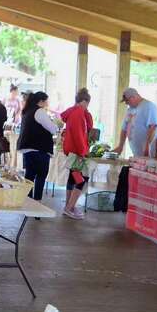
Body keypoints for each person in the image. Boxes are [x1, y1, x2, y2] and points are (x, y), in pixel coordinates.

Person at [59, 88, 94, 219]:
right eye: (87, 104)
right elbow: (79, 134)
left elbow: (89, 126)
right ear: (85, 101)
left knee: (73, 178)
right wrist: (82, 152)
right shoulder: (78, 113)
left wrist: (87, 113)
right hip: (77, 151)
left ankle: (69, 206)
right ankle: (69, 208)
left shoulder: (75, 112)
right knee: (82, 178)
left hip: (72, 151)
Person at [17, 90, 56, 201]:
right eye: (46, 101)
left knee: (29, 177)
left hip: (28, 149)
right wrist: (56, 125)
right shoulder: (39, 111)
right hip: (39, 149)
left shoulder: (27, 111)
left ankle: (27, 202)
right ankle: (37, 202)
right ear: (41, 101)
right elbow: (52, 129)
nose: (47, 104)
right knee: (40, 176)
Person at [118, 87, 157, 158]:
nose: (126, 103)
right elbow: (124, 129)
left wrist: (147, 146)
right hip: (138, 153)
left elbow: (153, 127)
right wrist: (120, 146)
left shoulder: (149, 106)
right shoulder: (130, 109)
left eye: (127, 100)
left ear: (134, 97)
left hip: (150, 153)